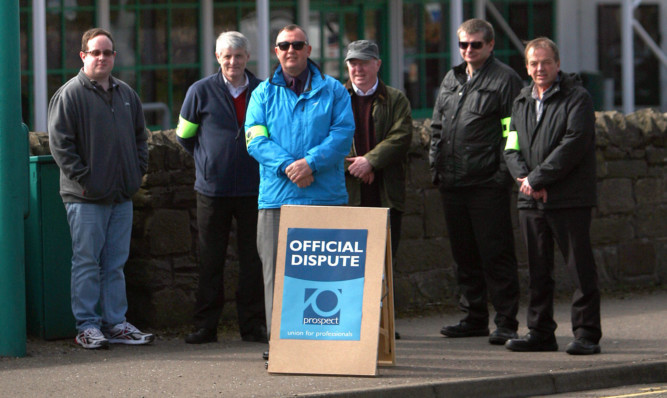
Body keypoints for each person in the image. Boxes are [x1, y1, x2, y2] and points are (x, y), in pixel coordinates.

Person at [245, 24, 355, 359]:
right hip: (278, 198)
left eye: (297, 44)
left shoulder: (334, 90)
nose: (290, 50)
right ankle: (280, 344)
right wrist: (291, 168)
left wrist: (310, 164)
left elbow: (342, 134)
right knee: (277, 278)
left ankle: (325, 345)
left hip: (324, 196)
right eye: (284, 45)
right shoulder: (262, 93)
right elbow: (255, 139)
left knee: (326, 276)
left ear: (309, 49)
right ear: (275, 52)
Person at [48, 28, 153, 349]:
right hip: (85, 199)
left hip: (121, 196)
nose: (103, 58)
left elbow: (140, 138)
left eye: (108, 53)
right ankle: (87, 326)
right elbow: (60, 145)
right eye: (96, 53)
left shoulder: (126, 95)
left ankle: (116, 323)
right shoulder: (70, 94)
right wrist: (87, 181)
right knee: (86, 262)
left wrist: (136, 174)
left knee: (114, 263)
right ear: (83, 56)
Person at [504, 37, 601, 355]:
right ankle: (540, 332)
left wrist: (538, 178)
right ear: (526, 67)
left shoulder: (578, 98)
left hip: (568, 198)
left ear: (558, 64)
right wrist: (524, 179)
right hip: (530, 198)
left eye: (546, 62)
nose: (540, 68)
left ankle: (587, 333)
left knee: (579, 267)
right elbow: (510, 143)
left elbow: (574, 143)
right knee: (537, 269)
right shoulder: (519, 101)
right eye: (533, 63)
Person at [429, 19, 522, 345]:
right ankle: (473, 317)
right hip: (453, 182)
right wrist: (435, 166)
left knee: (495, 254)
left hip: (486, 183)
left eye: (476, 44)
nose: (469, 50)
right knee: (464, 254)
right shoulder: (452, 78)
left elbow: (513, 132)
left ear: (491, 45)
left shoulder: (505, 80)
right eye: (464, 45)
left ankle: (507, 322)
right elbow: (438, 126)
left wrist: (501, 176)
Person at [176, 31, 266, 345]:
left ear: (247, 58)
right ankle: (205, 327)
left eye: (238, 56)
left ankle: (253, 327)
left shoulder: (263, 91)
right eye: (226, 56)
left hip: (255, 189)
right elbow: (184, 136)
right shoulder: (199, 91)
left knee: (253, 260)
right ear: (218, 58)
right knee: (210, 260)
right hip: (212, 191)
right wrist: (209, 161)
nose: (232, 62)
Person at [343, 40, 412, 260]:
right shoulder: (335, 98)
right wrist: (357, 167)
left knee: (384, 265)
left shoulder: (395, 99)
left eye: (364, 62)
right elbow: (325, 141)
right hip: (346, 196)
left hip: (386, 195)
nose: (358, 69)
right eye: (353, 63)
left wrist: (371, 161)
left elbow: (401, 137)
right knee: (349, 268)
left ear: (378, 64)